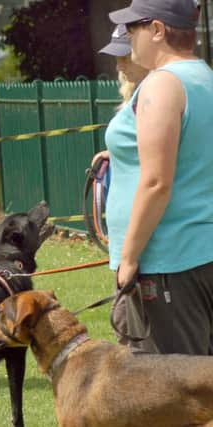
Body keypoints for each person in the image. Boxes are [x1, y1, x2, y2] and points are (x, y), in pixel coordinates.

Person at [104, 0, 213, 355]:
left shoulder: (162, 85)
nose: (129, 36)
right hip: (199, 253)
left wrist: (130, 256)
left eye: (134, 27)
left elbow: (156, 182)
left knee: (176, 395)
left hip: (169, 261)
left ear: (157, 30)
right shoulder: (204, 76)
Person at [94, 24, 149, 347]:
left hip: (141, 248)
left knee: (135, 341)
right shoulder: (137, 98)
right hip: (127, 244)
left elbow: (157, 172)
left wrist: (130, 256)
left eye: (124, 56)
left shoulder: (156, 96)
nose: (118, 65)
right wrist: (113, 153)